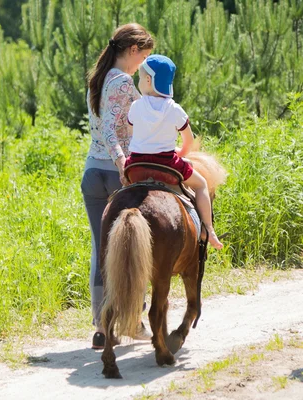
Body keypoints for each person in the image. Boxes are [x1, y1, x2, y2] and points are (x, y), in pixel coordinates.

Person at [82, 23, 154, 350]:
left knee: (102, 250)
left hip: (91, 175)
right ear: (134, 50)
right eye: (144, 57)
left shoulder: (98, 77)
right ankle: (135, 320)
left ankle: (101, 326)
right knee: (132, 248)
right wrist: (124, 163)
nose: (143, 65)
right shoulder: (123, 81)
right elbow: (112, 130)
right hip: (115, 176)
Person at [125, 54, 223, 250]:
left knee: (123, 191)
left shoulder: (135, 106)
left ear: (148, 80)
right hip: (166, 165)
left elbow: (131, 135)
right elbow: (189, 142)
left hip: (135, 166)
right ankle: (208, 229)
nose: (138, 80)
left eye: (140, 77)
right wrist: (179, 152)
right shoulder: (175, 109)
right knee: (202, 184)